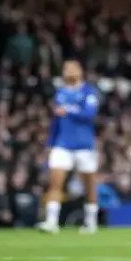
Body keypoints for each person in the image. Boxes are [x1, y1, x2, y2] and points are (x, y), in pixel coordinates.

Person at [37, 60, 100, 234]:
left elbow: (90, 114)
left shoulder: (89, 92)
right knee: (55, 182)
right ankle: (51, 222)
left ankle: (90, 222)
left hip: (84, 146)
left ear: (80, 72)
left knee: (89, 185)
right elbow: (56, 122)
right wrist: (50, 143)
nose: (68, 71)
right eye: (65, 69)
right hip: (62, 145)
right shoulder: (60, 93)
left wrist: (69, 111)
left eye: (71, 68)